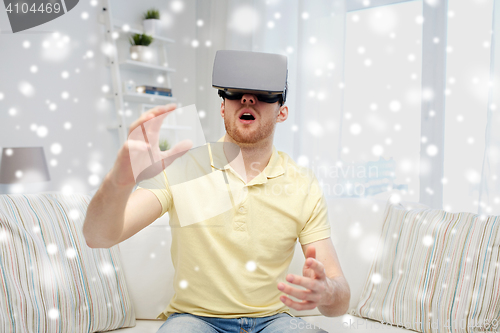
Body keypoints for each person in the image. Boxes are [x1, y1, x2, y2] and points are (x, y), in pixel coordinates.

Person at [83, 50, 350, 332]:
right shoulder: (181, 166)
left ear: (282, 112)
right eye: (235, 92)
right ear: (223, 107)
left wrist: (327, 292)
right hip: (194, 319)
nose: (247, 99)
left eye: (263, 94)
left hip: (273, 321)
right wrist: (120, 180)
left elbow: (339, 299)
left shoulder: (302, 183)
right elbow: (98, 237)